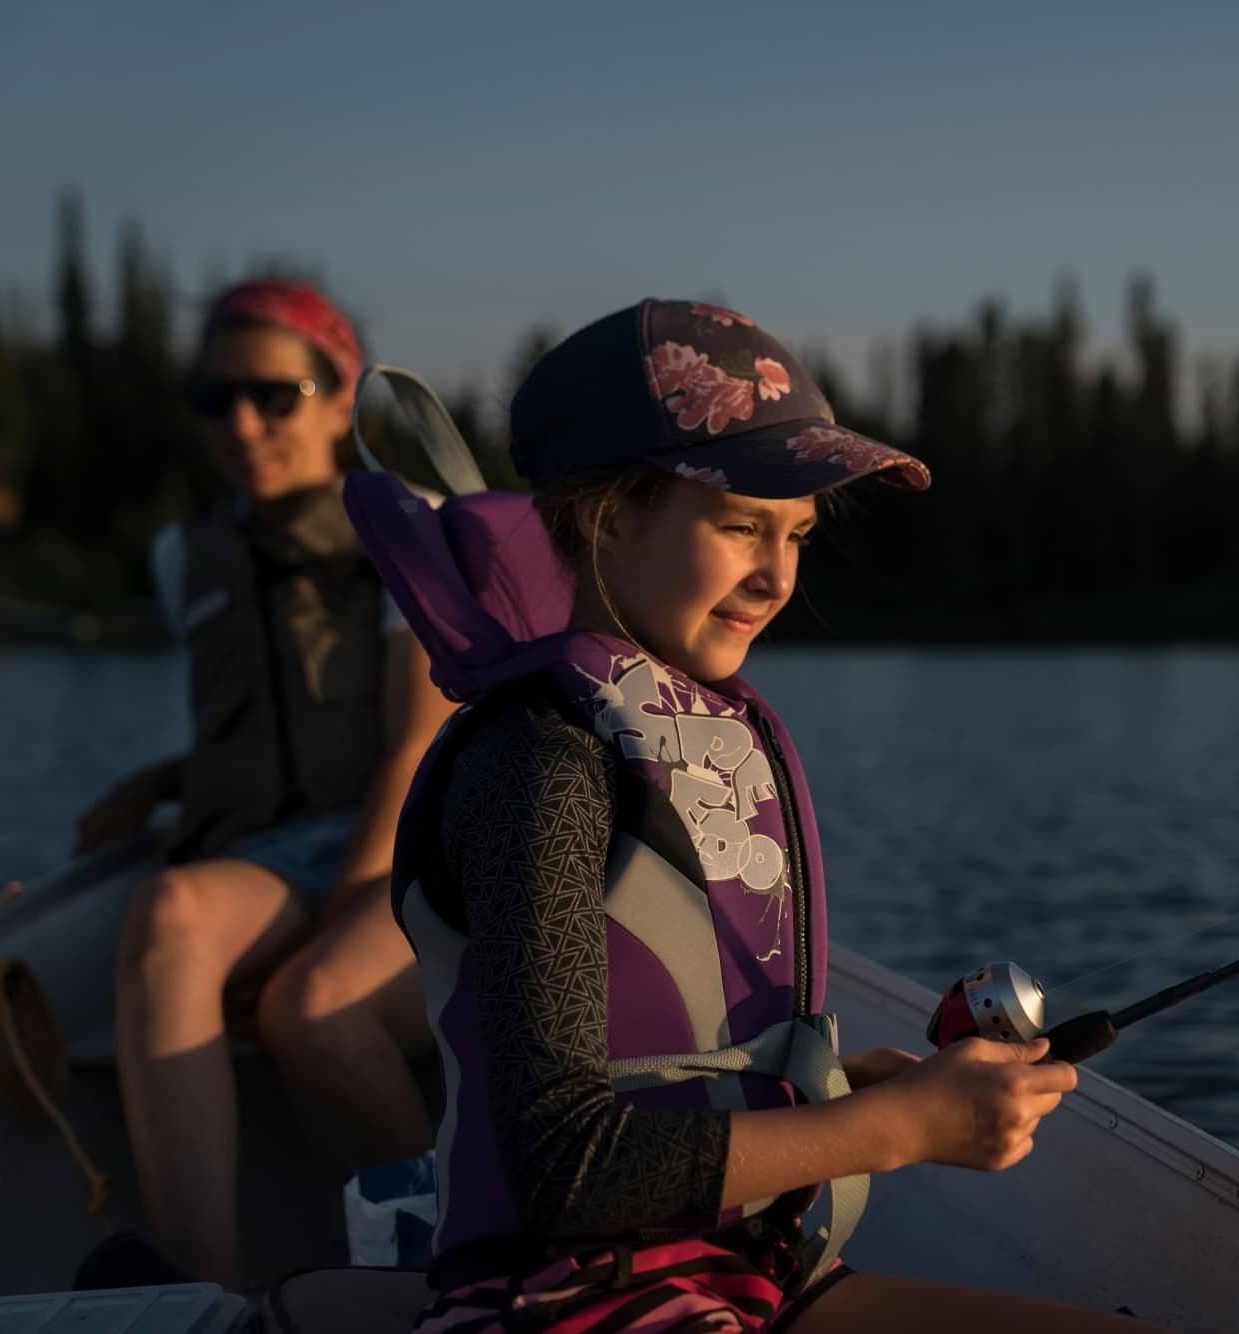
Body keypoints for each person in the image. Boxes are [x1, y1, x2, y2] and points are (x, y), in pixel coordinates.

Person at [358, 300, 1159, 1332]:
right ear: (608, 515)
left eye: (797, 536)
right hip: (563, 1300)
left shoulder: (683, 731)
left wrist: (827, 1092)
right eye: (740, 524)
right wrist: (891, 1126)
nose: (777, 578)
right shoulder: (539, 763)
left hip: (752, 1279)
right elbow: (564, 1170)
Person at [74, 278, 457, 1286]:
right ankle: (204, 1294)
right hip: (268, 852)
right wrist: (163, 777)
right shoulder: (181, 553)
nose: (242, 422)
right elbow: (270, 725)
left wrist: (339, 917)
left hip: (407, 840)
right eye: (215, 398)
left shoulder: (406, 524)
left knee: (311, 1010)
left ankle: (457, 1274)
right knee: (168, 912)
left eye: (274, 394)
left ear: (341, 399)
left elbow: (411, 743)